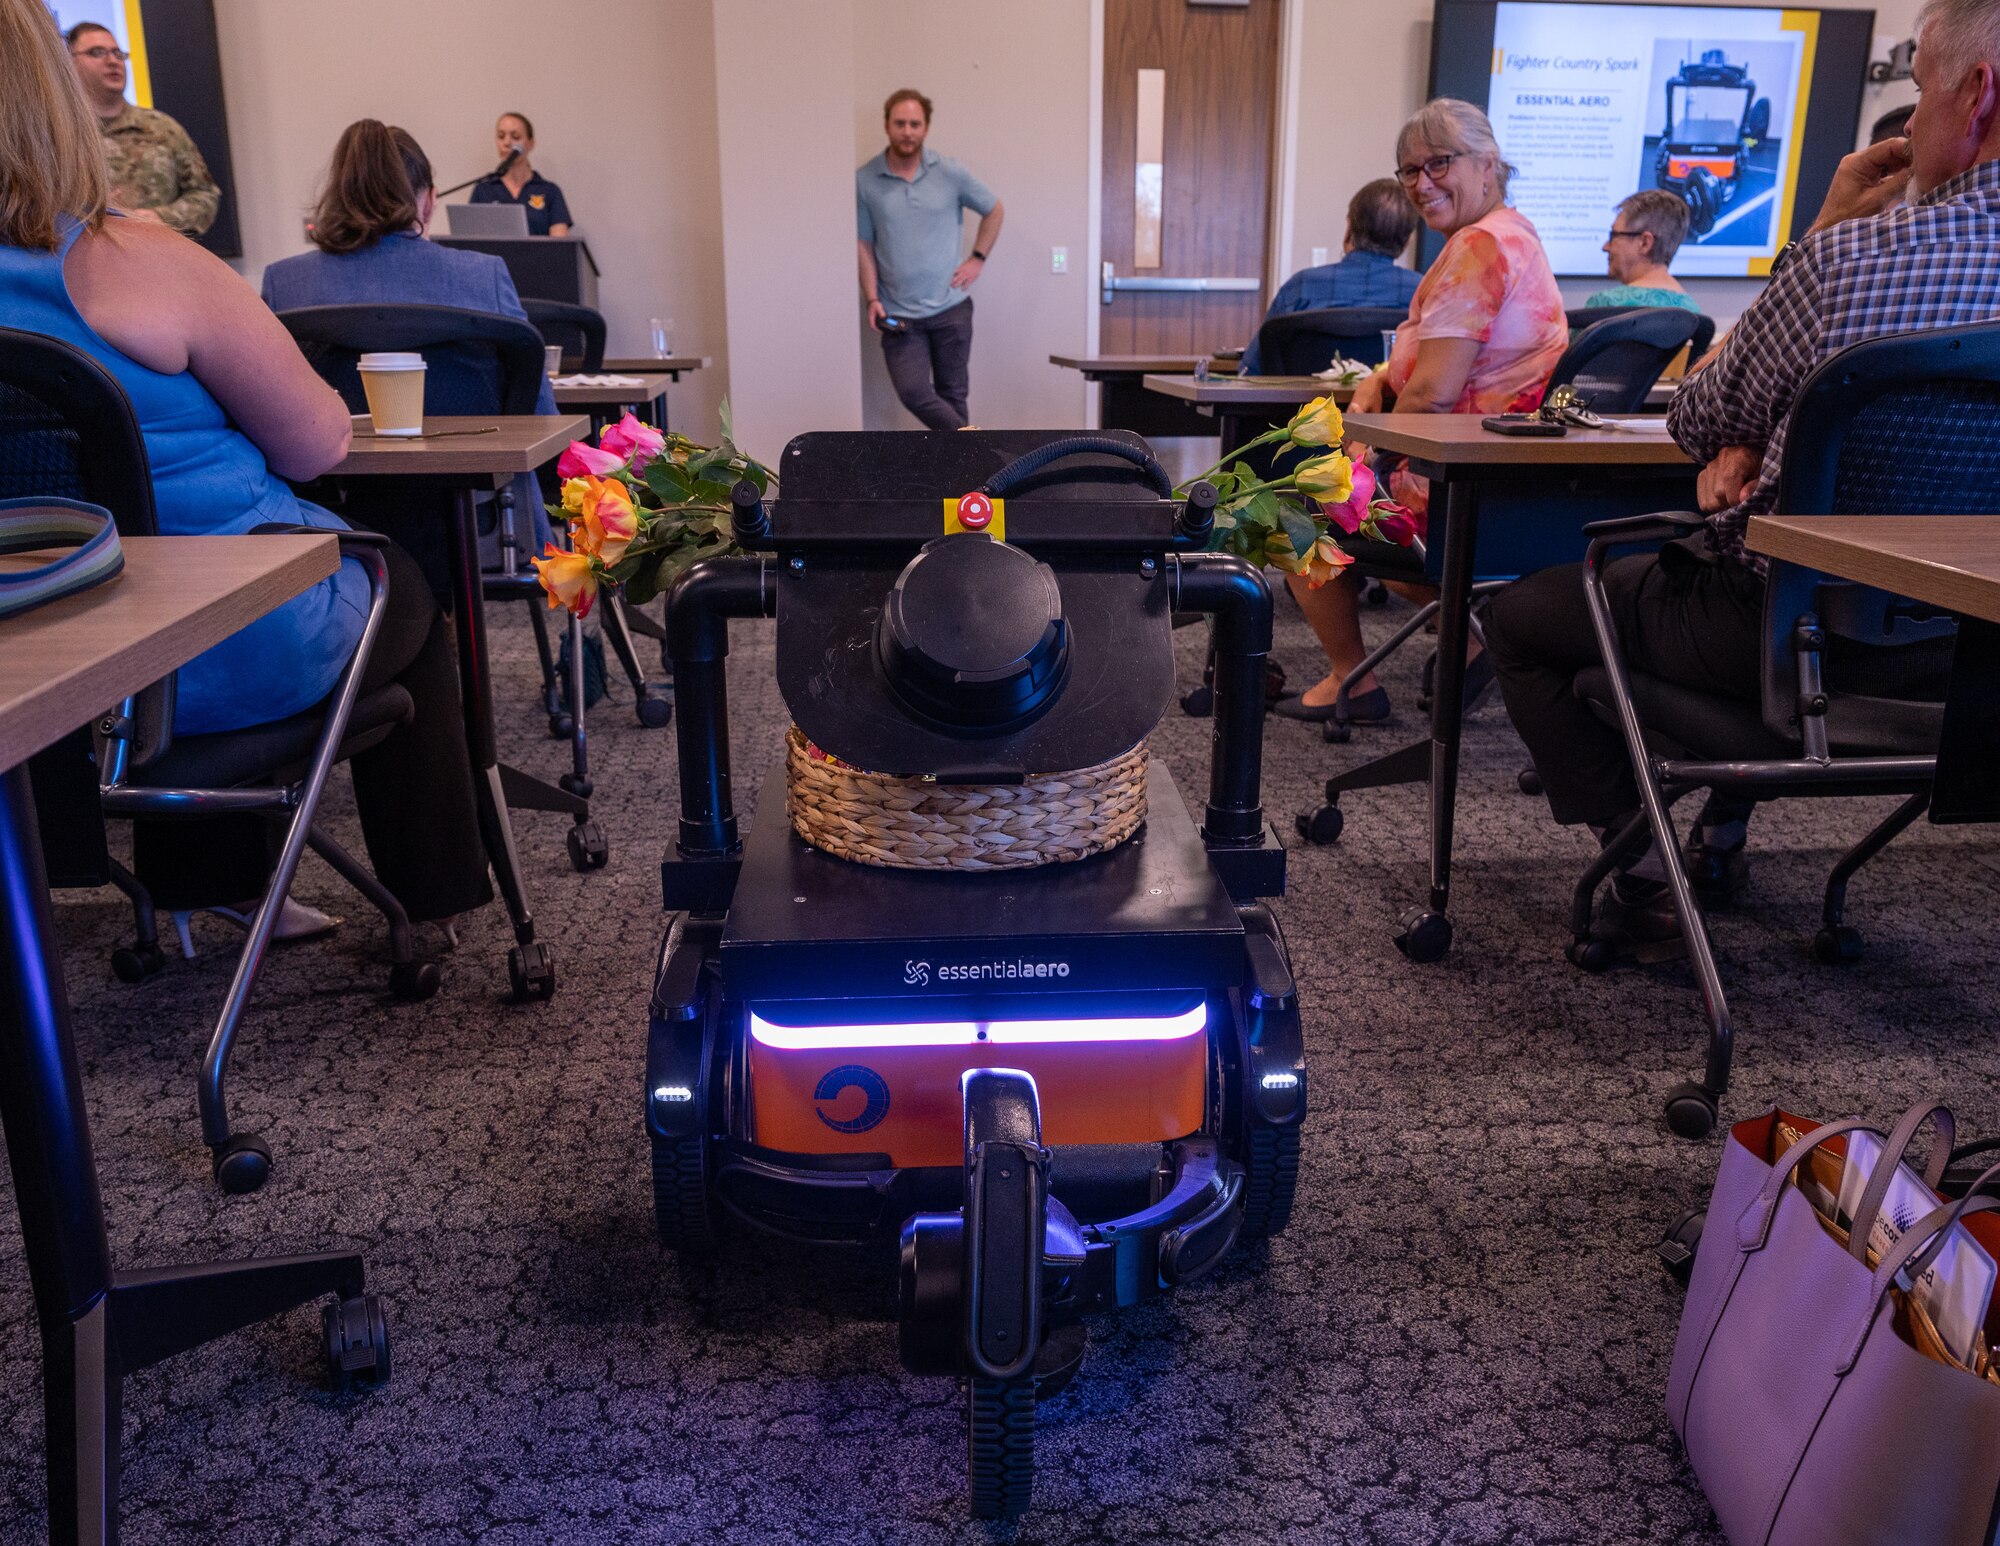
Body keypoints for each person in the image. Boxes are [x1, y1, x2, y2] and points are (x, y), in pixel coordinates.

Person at [1483, 0, 2000, 953]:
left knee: (1523, 619)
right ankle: (1722, 832)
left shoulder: (1852, 259)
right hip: (1975, 661)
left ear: (1976, 95)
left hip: (1795, 638)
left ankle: (1643, 870)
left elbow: (1698, 419)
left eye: (1921, 88)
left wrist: (1823, 229)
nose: (1915, 112)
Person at [3, 0, 489, 934]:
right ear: (51, 102)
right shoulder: (145, 258)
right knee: (403, 586)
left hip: (32, 662)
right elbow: (319, 444)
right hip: (205, 656)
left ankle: (204, 889)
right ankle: (433, 903)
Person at [1272, 98, 1567, 722]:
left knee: (1283, 510)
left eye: (1438, 164)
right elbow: (1453, 367)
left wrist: (1361, 455)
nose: (1420, 183)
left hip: (1447, 494)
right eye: (1409, 171)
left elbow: (1433, 393)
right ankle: (1471, 640)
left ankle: (1353, 681)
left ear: (1489, 164)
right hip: (1501, 488)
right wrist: (1381, 376)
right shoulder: (1517, 236)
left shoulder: (1478, 248)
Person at [263, 119, 561, 584]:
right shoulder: (483, 275)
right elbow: (539, 418)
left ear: (337, 195)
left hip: (335, 525)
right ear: (426, 198)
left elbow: (268, 419)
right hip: (476, 520)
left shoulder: (285, 283)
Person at [856, 88, 1004, 431]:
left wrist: (977, 258)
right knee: (913, 391)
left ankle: (961, 480)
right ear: (887, 126)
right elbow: (863, 243)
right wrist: (872, 298)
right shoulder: (865, 180)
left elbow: (994, 209)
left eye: (915, 124)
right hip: (898, 314)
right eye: (900, 123)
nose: (907, 131)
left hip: (951, 309)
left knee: (953, 398)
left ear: (926, 128)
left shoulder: (950, 173)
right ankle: (973, 442)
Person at [1239, 179, 1421, 375]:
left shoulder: (1301, 288)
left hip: (1304, 406)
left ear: (1349, 229)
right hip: (1390, 406)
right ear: (1408, 239)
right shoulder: (1423, 292)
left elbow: (1251, 371)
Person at [64, 19, 220, 237]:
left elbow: (205, 194)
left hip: (160, 259)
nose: (112, 61)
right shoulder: (58, 136)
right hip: (84, 262)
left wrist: (161, 217)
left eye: (118, 54)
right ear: (69, 63)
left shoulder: (162, 128)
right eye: (97, 52)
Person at [1584, 189, 1699, 311]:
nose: (1605, 247)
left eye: (1614, 235)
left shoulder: (1604, 305)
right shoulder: (1693, 312)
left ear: (1645, 243)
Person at [468, 111, 572, 236]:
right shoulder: (483, 190)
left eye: (515, 137)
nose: (507, 143)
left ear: (530, 143)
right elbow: (471, 241)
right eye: (501, 136)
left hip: (538, 255)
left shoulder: (550, 191)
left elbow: (560, 246)